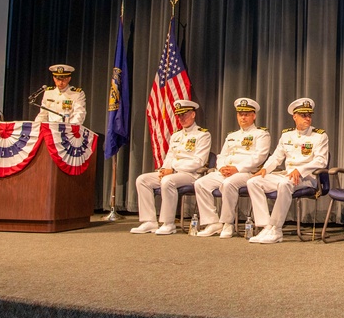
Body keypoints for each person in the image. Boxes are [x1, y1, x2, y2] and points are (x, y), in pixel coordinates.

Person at [245, 97, 328, 244]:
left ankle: (276, 230)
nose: (307, 118)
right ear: (294, 117)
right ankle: (265, 226)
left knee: (284, 184)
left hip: (307, 177)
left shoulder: (319, 136)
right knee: (253, 182)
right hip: (287, 175)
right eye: (303, 115)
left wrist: (300, 170)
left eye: (309, 115)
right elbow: (277, 157)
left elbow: (321, 161)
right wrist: (264, 169)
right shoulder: (286, 135)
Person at [130, 99, 212, 235]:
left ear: (193, 114)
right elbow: (170, 156)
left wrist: (172, 169)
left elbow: (198, 161)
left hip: (191, 174)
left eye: (184, 114)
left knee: (168, 181)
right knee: (142, 180)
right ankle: (149, 221)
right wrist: (164, 169)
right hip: (172, 172)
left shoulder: (202, 135)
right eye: (179, 115)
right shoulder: (176, 135)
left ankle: (168, 223)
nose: (181, 118)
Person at [193, 98, 271, 238]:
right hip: (226, 171)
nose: (243, 117)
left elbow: (259, 157)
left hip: (247, 173)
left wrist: (237, 168)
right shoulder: (231, 136)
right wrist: (222, 167)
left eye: (246, 114)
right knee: (200, 183)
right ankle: (212, 223)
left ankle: (227, 223)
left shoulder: (261, 134)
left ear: (254, 116)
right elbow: (222, 155)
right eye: (240, 114)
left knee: (229, 184)